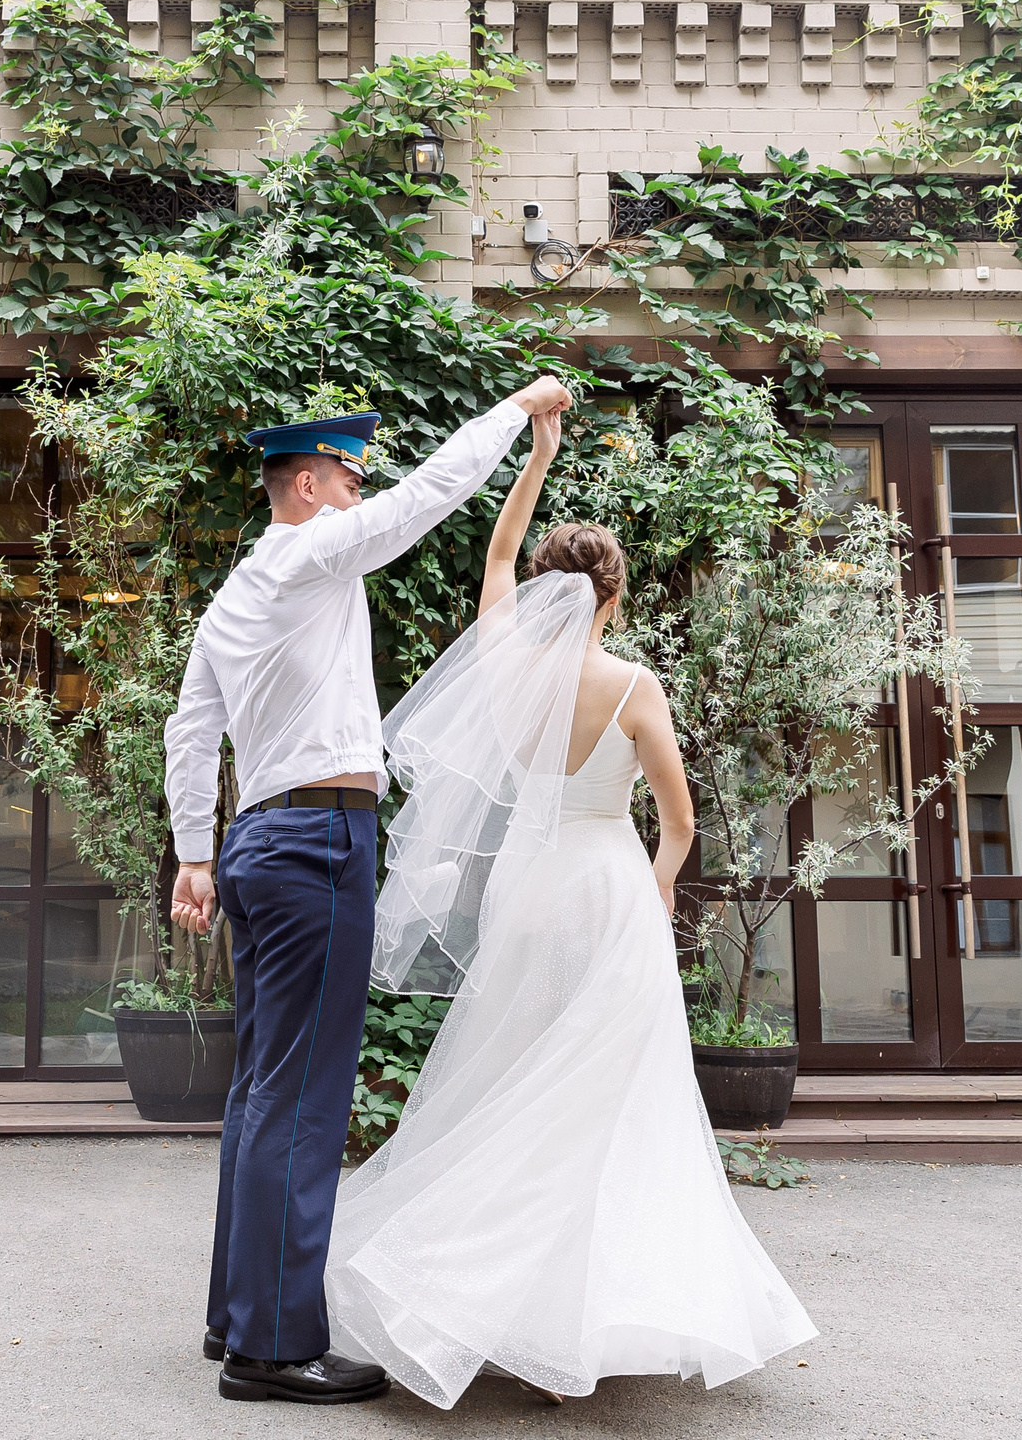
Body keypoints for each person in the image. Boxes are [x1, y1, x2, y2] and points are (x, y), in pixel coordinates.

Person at [321, 405, 818, 1408]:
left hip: (525, 883)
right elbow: (676, 823)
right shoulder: (633, 684)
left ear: (545, 588)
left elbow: (499, 551)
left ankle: (494, 1303)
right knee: (607, 1097)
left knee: (515, 1075)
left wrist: (537, 456)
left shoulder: (505, 661)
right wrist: (660, 884)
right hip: (603, 886)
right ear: (614, 593)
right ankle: (572, 1321)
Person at [166, 376, 576, 1405]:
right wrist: (518, 407)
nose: (361, 492)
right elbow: (432, 492)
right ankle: (272, 1347)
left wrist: (194, 853)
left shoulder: (234, 598)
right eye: (349, 476)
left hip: (261, 839)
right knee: (303, 1099)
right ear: (307, 484)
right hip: (316, 842)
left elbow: (187, 730)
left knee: (264, 1089)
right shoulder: (309, 548)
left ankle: (239, 1317)